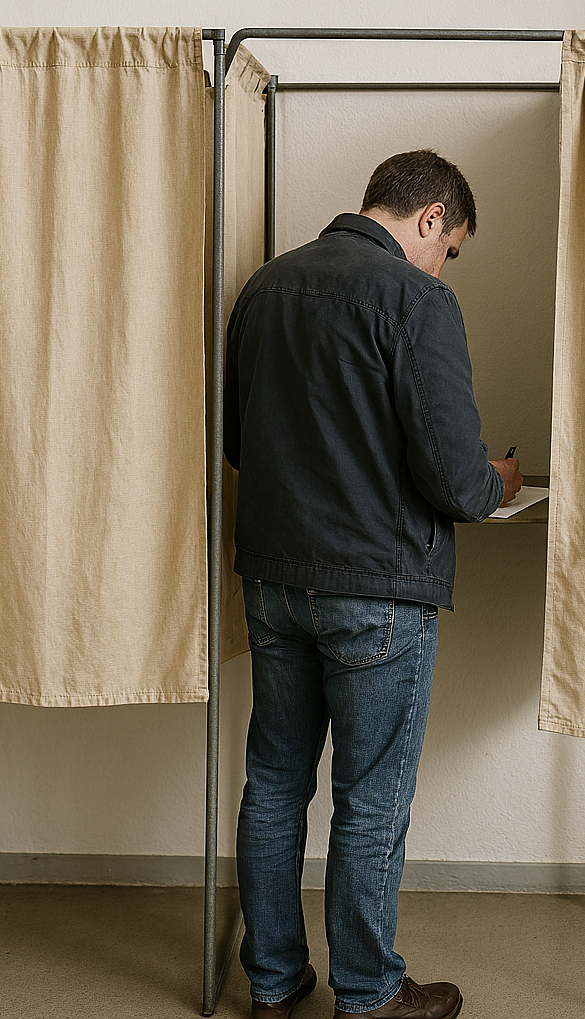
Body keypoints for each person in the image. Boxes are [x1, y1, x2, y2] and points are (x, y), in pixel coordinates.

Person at [223, 148, 523, 1019]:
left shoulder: (264, 288)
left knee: (274, 784)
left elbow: (240, 444)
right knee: (371, 798)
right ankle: (367, 994)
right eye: (449, 247)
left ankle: (273, 984)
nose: (443, 265)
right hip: (377, 594)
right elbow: (456, 480)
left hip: (274, 581)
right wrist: (500, 478)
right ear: (430, 217)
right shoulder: (417, 299)